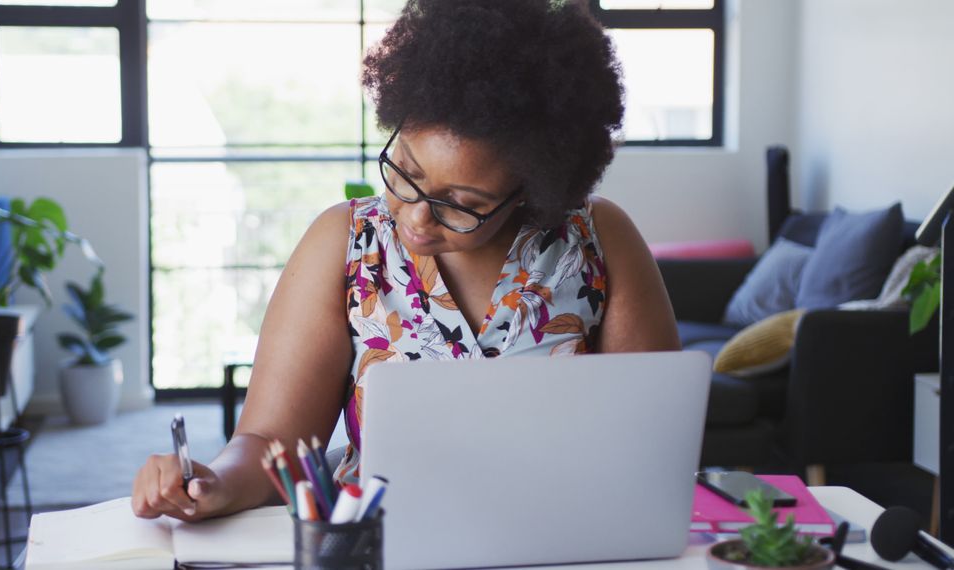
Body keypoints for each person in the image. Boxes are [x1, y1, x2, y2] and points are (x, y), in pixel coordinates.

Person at [132, 0, 680, 522]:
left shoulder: (596, 241)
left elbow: (658, 437)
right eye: (406, 173)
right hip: (376, 540)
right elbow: (270, 440)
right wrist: (213, 482)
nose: (416, 218)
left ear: (533, 191)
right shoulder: (346, 243)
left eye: (462, 205)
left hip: (564, 534)